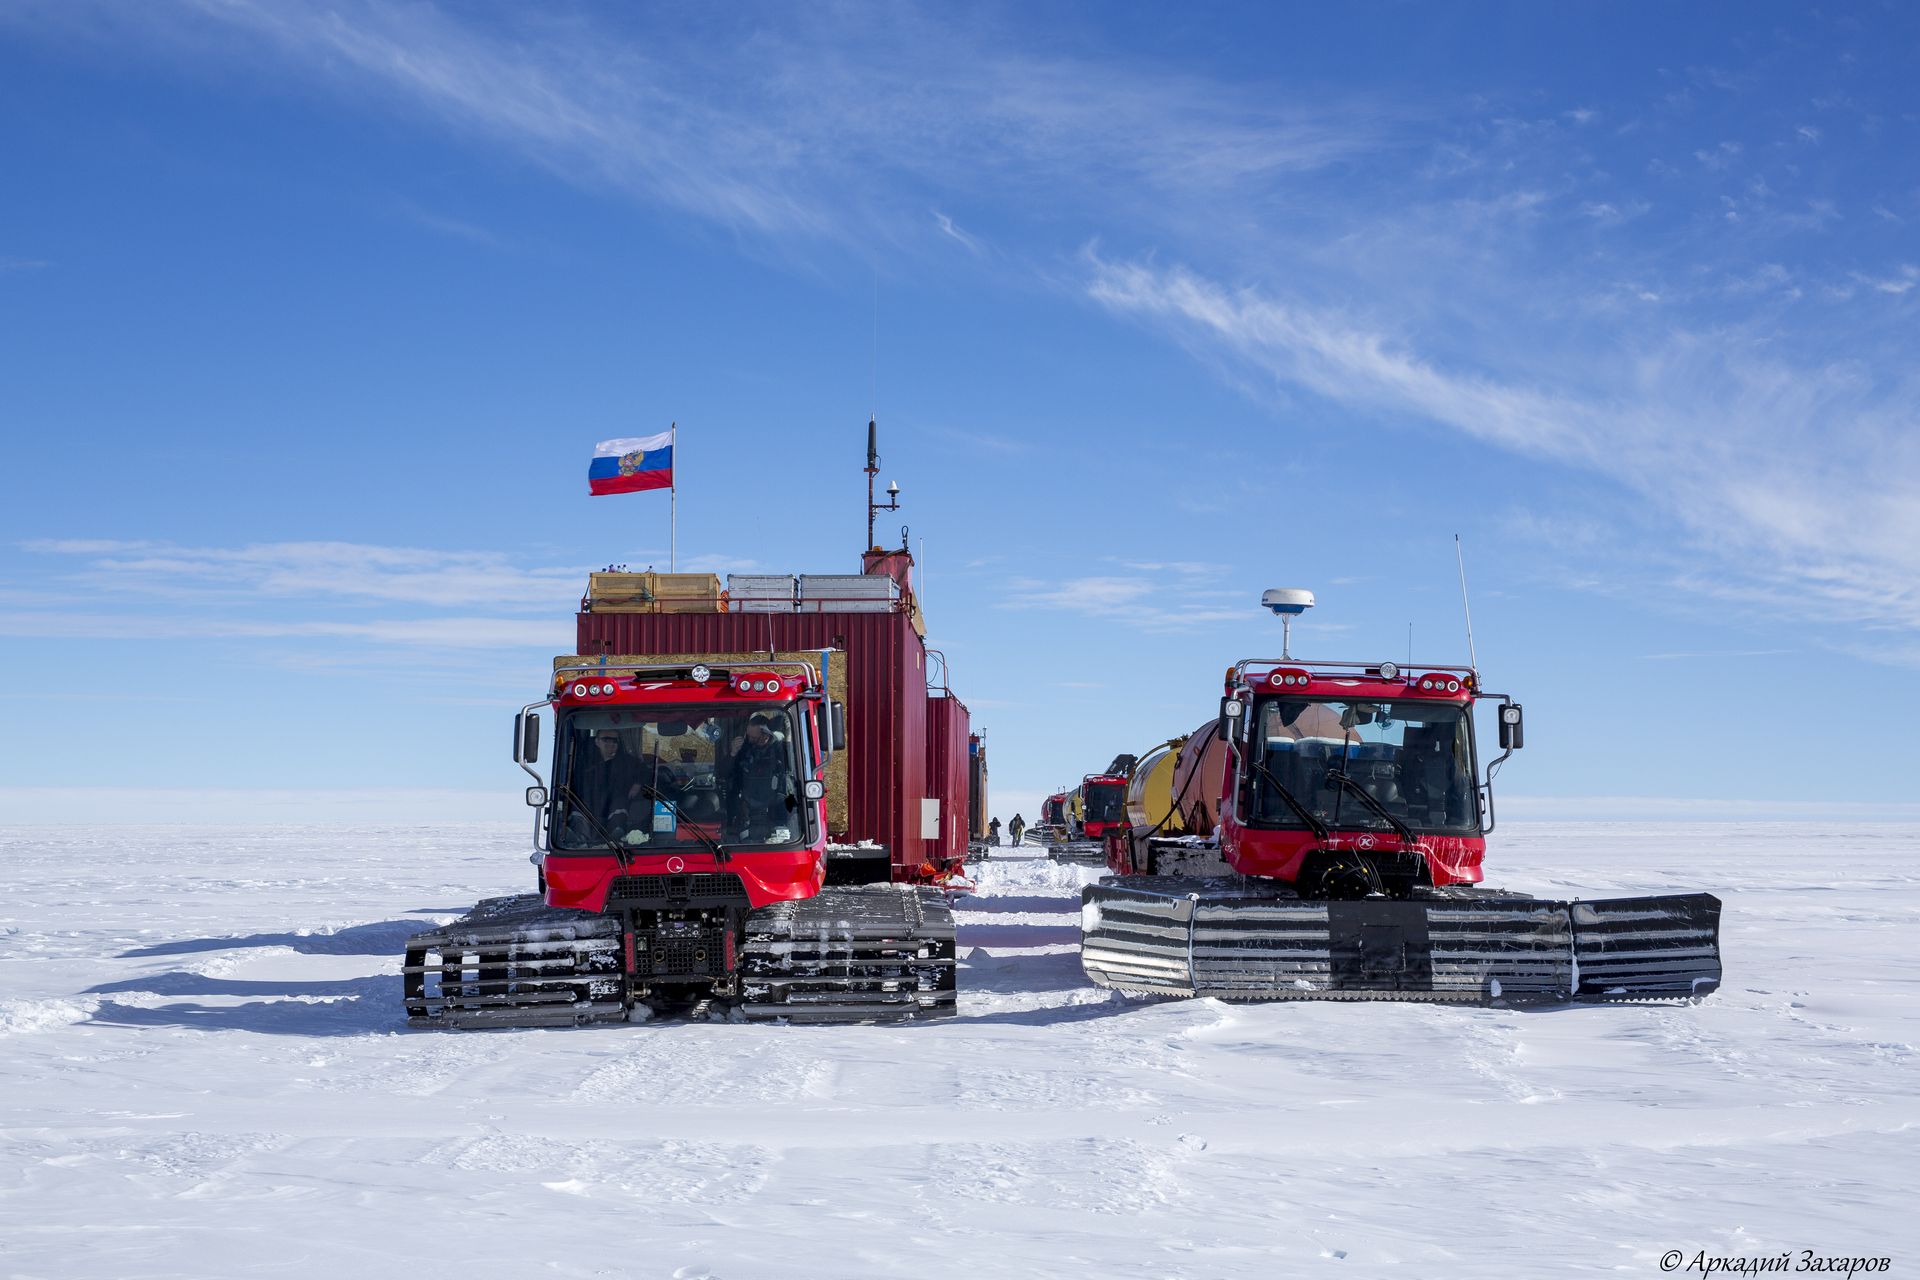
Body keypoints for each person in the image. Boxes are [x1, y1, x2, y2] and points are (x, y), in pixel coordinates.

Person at [727, 716, 792, 838]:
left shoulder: (778, 749)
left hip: (773, 804)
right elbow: (726, 773)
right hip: (747, 803)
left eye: (753, 738)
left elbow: (790, 767)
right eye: (748, 736)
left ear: (765, 735)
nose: (750, 740)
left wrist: (788, 740)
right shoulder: (745, 748)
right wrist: (733, 753)